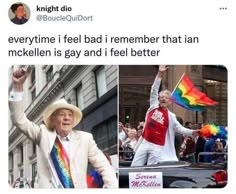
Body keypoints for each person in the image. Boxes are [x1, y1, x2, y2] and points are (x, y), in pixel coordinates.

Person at [9, 67, 118, 188]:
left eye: (70, 115)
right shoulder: (42, 134)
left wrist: (111, 187)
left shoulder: (86, 139)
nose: (67, 118)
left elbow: (104, 166)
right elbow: (19, 120)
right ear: (53, 120)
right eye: (62, 114)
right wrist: (17, 87)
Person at [131, 65, 199, 166]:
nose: (163, 99)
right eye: (161, 97)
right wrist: (160, 73)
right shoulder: (153, 106)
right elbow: (154, 90)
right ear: (158, 99)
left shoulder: (171, 116)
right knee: (135, 167)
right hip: (145, 143)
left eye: (166, 98)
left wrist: (192, 132)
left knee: (151, 170)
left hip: (157, 146)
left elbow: (179, 128)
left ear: (169, 102)